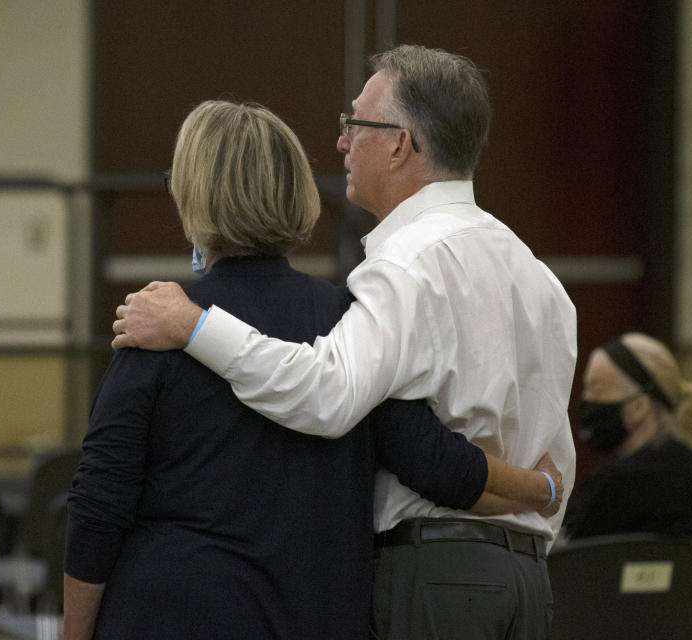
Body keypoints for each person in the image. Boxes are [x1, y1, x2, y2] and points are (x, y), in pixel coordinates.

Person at [111, 45, 577, 639]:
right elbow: (540, 447)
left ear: (400, 144)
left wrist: (195, 325)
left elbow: (328, 395)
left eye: (354, 123)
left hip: (437, 577)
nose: (340, 143)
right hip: (529, 581)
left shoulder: (407, 264)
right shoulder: (539, 275)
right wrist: (540, 489)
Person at [564, 332, 692, 539]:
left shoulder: (613, 483)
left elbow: (571, 561)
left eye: (595, 389)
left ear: (639, 406)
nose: (586, 400)